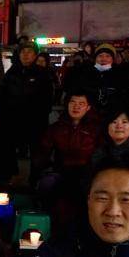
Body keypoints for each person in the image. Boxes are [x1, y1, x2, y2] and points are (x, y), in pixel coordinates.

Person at [33, 91, 102, 229]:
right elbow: (42, 154)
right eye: (72, 102)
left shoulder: (96, 130)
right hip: (61, 171)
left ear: (88, 108)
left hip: (86, 174)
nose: (76, 107)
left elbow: (100, 155)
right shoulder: (56, 128)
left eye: (81, 104)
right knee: (48, 183)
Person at [1, 42, 55, 157]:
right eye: (23, 52)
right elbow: (4, 94)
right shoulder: (11, 73)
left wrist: (42, 114)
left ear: (35, 55)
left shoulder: (42, 73)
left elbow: (48, 97)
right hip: (15, 120)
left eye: (29, 52)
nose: (26, 55)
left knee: (37, 152)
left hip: (36, 121)